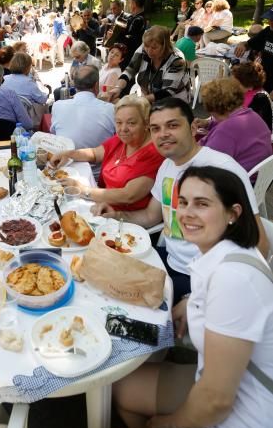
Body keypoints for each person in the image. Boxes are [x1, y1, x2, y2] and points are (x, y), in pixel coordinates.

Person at [97, 165, 273, 428]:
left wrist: (168, 424)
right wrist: (191, 303)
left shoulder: (234, 280)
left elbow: (216, 400)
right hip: (216, 380)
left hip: (244, 425)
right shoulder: (223, 254)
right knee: (114, 386)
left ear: (233, 214)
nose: (188, 212)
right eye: (183, 202)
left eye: (202, 204)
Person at [91, 98, 267, 303]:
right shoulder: (167, 166)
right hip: (166, 260)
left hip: (201, 279)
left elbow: (260, 246)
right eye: (155, 128)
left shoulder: (223, 170)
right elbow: (150, 216)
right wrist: (116, 214)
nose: (163, 134)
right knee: (100, 274)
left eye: (172, 125)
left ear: (193, 128)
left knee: (120, 304)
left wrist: (199, 296)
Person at [51, 95, 163, 211]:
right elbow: (95, 153)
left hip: (120, 217)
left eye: (131, 123)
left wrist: (82, 189)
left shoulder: (154, 153)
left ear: (146, 124)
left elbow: (128, 196)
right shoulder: (122, 139)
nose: (123, 128)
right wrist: (68, 154)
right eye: (119, 122)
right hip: (100, 202)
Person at [51, 66, 115, 176]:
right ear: (96, 85)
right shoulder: (110, 109)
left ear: (74, 85)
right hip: (97, 175)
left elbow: (54, 135)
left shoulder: (57, 106)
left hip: (65, 170)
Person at [196, 77, 271, 172]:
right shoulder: (251, 115)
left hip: (236, 181)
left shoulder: (226, 130)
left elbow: (204, 161)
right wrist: (208, 123)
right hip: (259, 179)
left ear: (213, 108)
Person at [109, 26, 191, 104]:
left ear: (165, 46)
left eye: (154, 48)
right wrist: (118, 88)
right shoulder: (143, 48)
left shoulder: (177, 61)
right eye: (147, 46)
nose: (149, 51)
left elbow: (168, 91)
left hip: (173, 103)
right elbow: (130, 70)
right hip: (148, 99)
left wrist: (139, 101)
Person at [234, 5, 273, 94]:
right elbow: (249, 44)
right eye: (269, 18)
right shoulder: (268, 31)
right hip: (264, 81)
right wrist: (242, 44)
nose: (270, 22)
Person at [231, 61, 273, 132]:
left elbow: (253, 127)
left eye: (238, 83)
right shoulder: (242, 92)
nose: (234, 85)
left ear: (249, 84)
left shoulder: (261, 98)